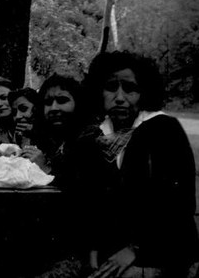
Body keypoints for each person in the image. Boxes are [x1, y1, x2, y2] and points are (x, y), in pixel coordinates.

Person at [75, 51, 199, 278]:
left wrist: (136, 248)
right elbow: (90, 202)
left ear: (143, 93)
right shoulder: (97, 136)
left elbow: (179, 205)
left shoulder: (163, 130)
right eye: (111, 87)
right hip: (111, 252)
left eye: (130, 89)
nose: (120, 97)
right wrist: (92, 252)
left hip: (162, 249)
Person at [36, 74, 86, 188]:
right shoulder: (53, 139)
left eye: (62, 100)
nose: (53, 108)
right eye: (48, 102)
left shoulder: (89, 139)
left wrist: (45, 169)